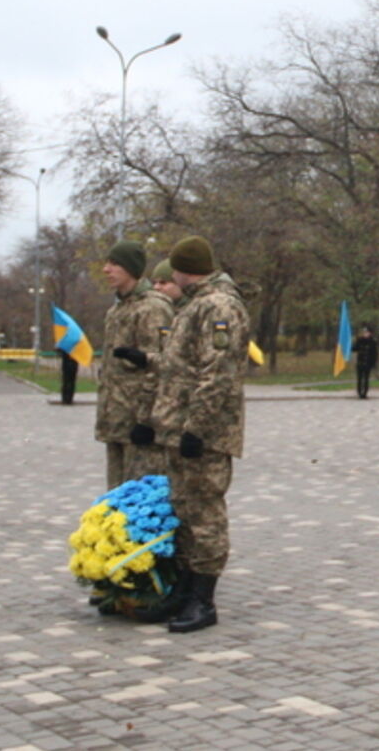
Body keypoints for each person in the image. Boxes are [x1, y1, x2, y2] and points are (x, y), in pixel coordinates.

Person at [148, 236, 248, 633]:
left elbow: (217, 372)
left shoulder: (219, 305)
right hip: (180, 426)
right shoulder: (196, 304)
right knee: (185, 508)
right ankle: (186, 589)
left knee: (204, 510)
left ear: (184, 268)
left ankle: (203, 600)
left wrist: (197, 428)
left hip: (201, 431)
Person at [99, 240, 174, 489]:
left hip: (139, 424)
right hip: (117, 422)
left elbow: (160, 367)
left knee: (142, 500)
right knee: (117, 499)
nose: (106, 270)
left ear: (130, 269)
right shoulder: (117, 310)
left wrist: (146, 421)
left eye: (114, 264)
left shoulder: (152, 308)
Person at [351, 325, 379, 399]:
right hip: (360, 363)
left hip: (368, 363)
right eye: (364, 333)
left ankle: (365, 393)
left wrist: (374, 364)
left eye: (367, 332)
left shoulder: (372, 342)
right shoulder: (360, 340)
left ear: (370, 333)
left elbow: (374, 354)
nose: (365, 334)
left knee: (366, 379)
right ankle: (359, 392)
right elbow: (354, 349)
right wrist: (350, 345)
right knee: (359, 379)